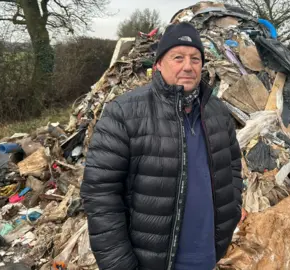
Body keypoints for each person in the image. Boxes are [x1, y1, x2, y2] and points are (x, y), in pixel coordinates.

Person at [80, 22, 243, 270]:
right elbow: (100, 195)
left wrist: (230, 217)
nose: (188, 66)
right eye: (178, 57)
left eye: (195, 59)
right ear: (158, 64)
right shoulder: (124, 113)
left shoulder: (217, 112)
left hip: (207, 256)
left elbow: (231, 169)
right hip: (150, 262)